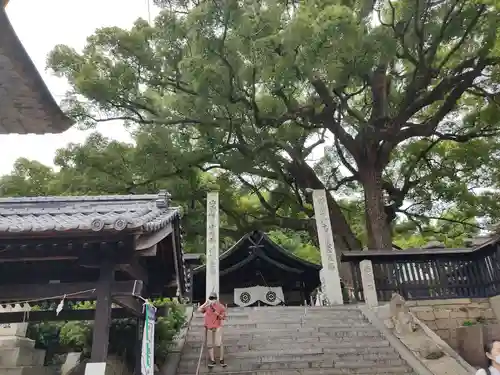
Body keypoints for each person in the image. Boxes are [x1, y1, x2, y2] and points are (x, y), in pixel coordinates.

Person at [198, 292, 227, 368]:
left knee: (218, 343)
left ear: (216, 299)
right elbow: (199, 310)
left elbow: (223, 317)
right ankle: (212, 360)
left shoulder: (220, 306)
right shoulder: (207, 306)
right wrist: (205, 303)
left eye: (213, 298)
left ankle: (221, 359)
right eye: (211, 298)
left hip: (217, 326)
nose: (212, 300)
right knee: (210, 345)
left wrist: (216, 312)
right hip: (209, 327)